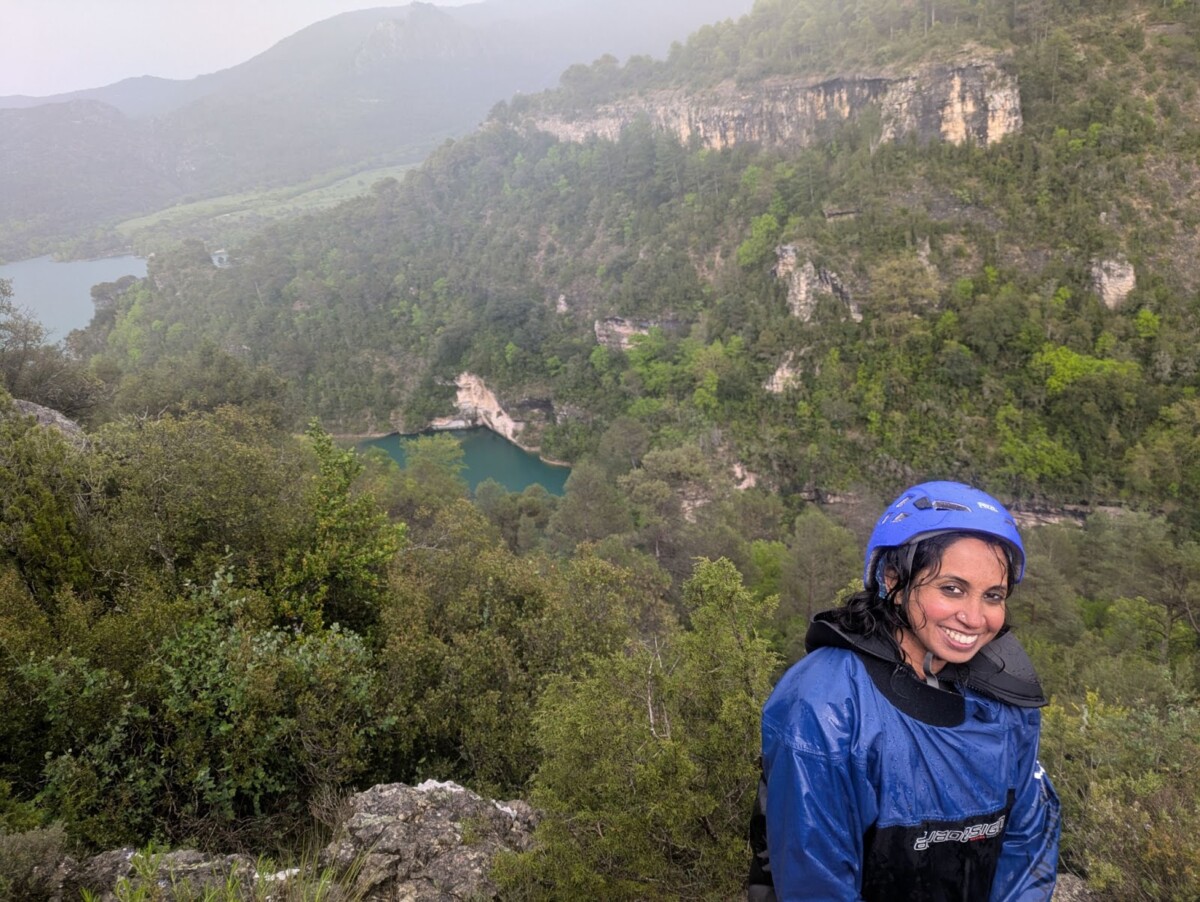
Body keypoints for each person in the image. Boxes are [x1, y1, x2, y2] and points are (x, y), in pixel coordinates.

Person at [748, 481, 1060, 901]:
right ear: (893, 579)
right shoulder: (825, 705)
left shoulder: (1006, 699)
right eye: (951, 588)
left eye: (993, 596)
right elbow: (815, 881)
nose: (974, 617)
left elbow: (1025, 846)